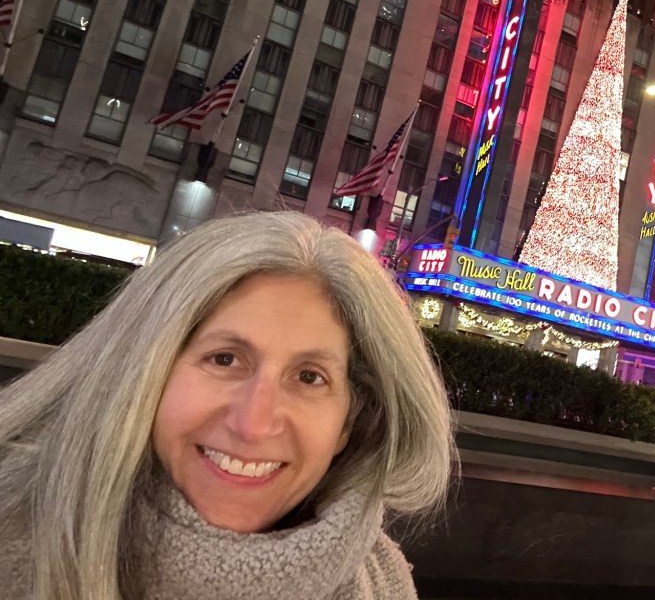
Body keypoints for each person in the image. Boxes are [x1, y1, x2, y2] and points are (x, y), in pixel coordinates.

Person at [0, 211, 454, 599]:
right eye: (224, 359)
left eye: (309, 377)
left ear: (348, 424)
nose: (253, 424)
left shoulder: (384, 584)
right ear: (142, 372)